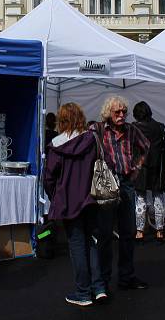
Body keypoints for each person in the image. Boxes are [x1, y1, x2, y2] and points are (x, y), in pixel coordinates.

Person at [43, 103, 103, 307]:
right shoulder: (92, 139)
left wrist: (56, 196)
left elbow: (49, 177)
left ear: (62, 120)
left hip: (69, 201)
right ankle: (99, 287)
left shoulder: (56, 145)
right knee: (92, 242)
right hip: (92, 199)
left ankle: (84, 292)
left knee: (77, 245)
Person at [93, 95, 150, 292]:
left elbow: (145, 147)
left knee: (128, 232)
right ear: (108, 112)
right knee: (105, 234)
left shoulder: (132, 130)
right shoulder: (97, 129)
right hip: (107, 184)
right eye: (117, 112)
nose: (122, 115)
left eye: (124, 111)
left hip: (126, 183)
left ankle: (126, 276)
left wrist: (136, 169)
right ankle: (103, 281)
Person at [131, 101, 165, 243]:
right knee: (158, 198)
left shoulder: (133, 128)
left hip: (140, 167)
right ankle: (160, 231)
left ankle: (140, 232)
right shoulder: (160, 127)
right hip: (157, 167)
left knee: (140, 199)